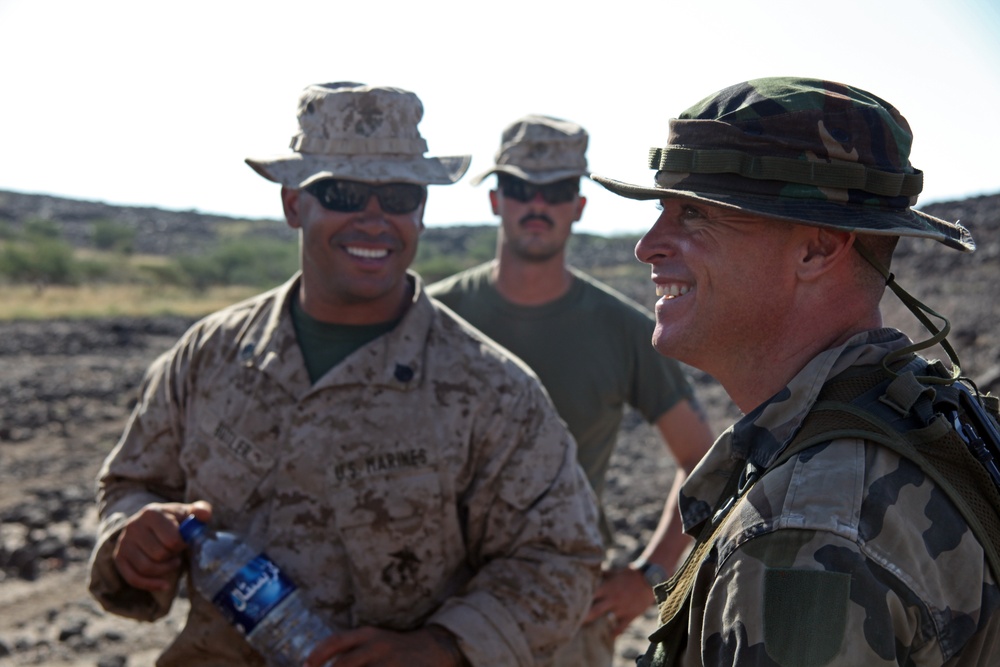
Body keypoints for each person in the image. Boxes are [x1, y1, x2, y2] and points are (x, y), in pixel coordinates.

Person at [87, 82, 604, 667]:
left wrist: (440, 647)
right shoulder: (210, 355)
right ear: (292, 204)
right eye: (343, 193)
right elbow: (131, 487)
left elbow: (561, 560)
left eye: (400, 195)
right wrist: (135, 538)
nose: (374, 219)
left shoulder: (492, 389)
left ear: (422, 211)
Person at [590, 76, 1000, 666]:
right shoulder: (920, 414)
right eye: (663, 209)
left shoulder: (807, 534)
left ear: (817, 248)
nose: (649, 245)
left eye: (695, 213)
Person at [428, 115, 715, 666]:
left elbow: (700, 460)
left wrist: (649, 575)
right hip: (436, 607)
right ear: (495, 199)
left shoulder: (623, 329)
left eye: (557, 190)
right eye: (519, 187)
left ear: (578, 205)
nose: (537, 204)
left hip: (565, 614)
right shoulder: (433, 317)